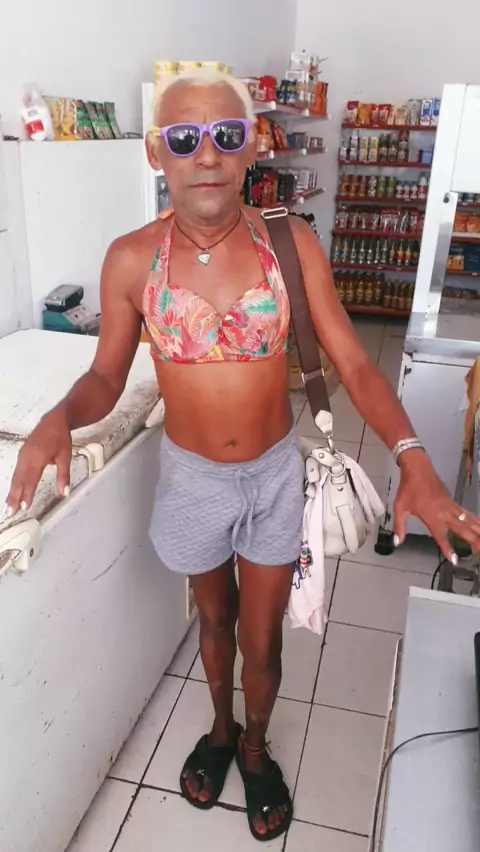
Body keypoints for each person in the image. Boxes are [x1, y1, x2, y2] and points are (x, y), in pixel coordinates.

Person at [7, 70, 480, 842]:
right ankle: (221, 728)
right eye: (184, 138)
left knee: (260, 637)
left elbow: (357, 365)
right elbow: (104, 377)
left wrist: (415, 459)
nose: (207, 154)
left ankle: (255, 748)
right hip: (191, 478)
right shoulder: (131, 260)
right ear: (157, 153)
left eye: (226, 135)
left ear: (251, 146)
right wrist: (61, 417)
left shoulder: (289, 244)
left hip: (272, 477)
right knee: (214, 619)